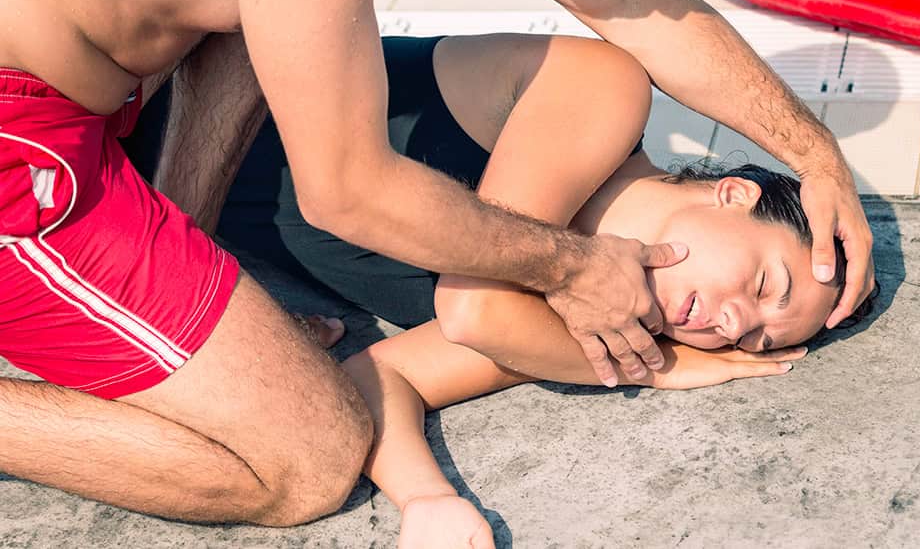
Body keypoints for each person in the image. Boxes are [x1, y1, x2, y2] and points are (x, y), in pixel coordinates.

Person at [0, 0, 871, 525]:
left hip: (95, 108)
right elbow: (346, 194)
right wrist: (579, 280)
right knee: (307, 458)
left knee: (262, 4)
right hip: (21, 139)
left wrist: (815, 151)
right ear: (731, 195)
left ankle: (182, 247)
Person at [231, 32, 866, 547]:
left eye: (754, 339)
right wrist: (655, 369)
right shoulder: (602, 87)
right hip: (168, 104)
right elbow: (472, 310)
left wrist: (427, 501)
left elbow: (381, 377)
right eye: (763, 285)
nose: (731, 325)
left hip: (158, 231)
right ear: (734, 194)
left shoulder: (580, 326)